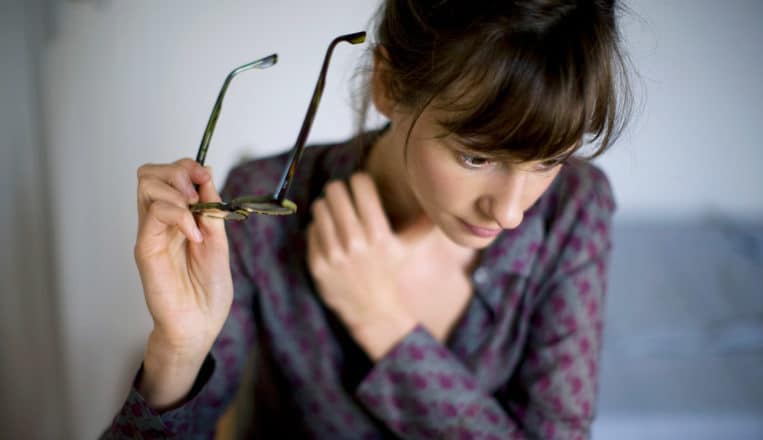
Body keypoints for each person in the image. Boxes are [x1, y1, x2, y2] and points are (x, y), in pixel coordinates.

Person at [103, 0, 632, 438]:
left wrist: (384, 324)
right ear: (388, 85)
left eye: (548, 161)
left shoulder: (576, 208)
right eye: (476, 157)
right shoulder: (263, 207)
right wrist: (179, 346)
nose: (512, 212)